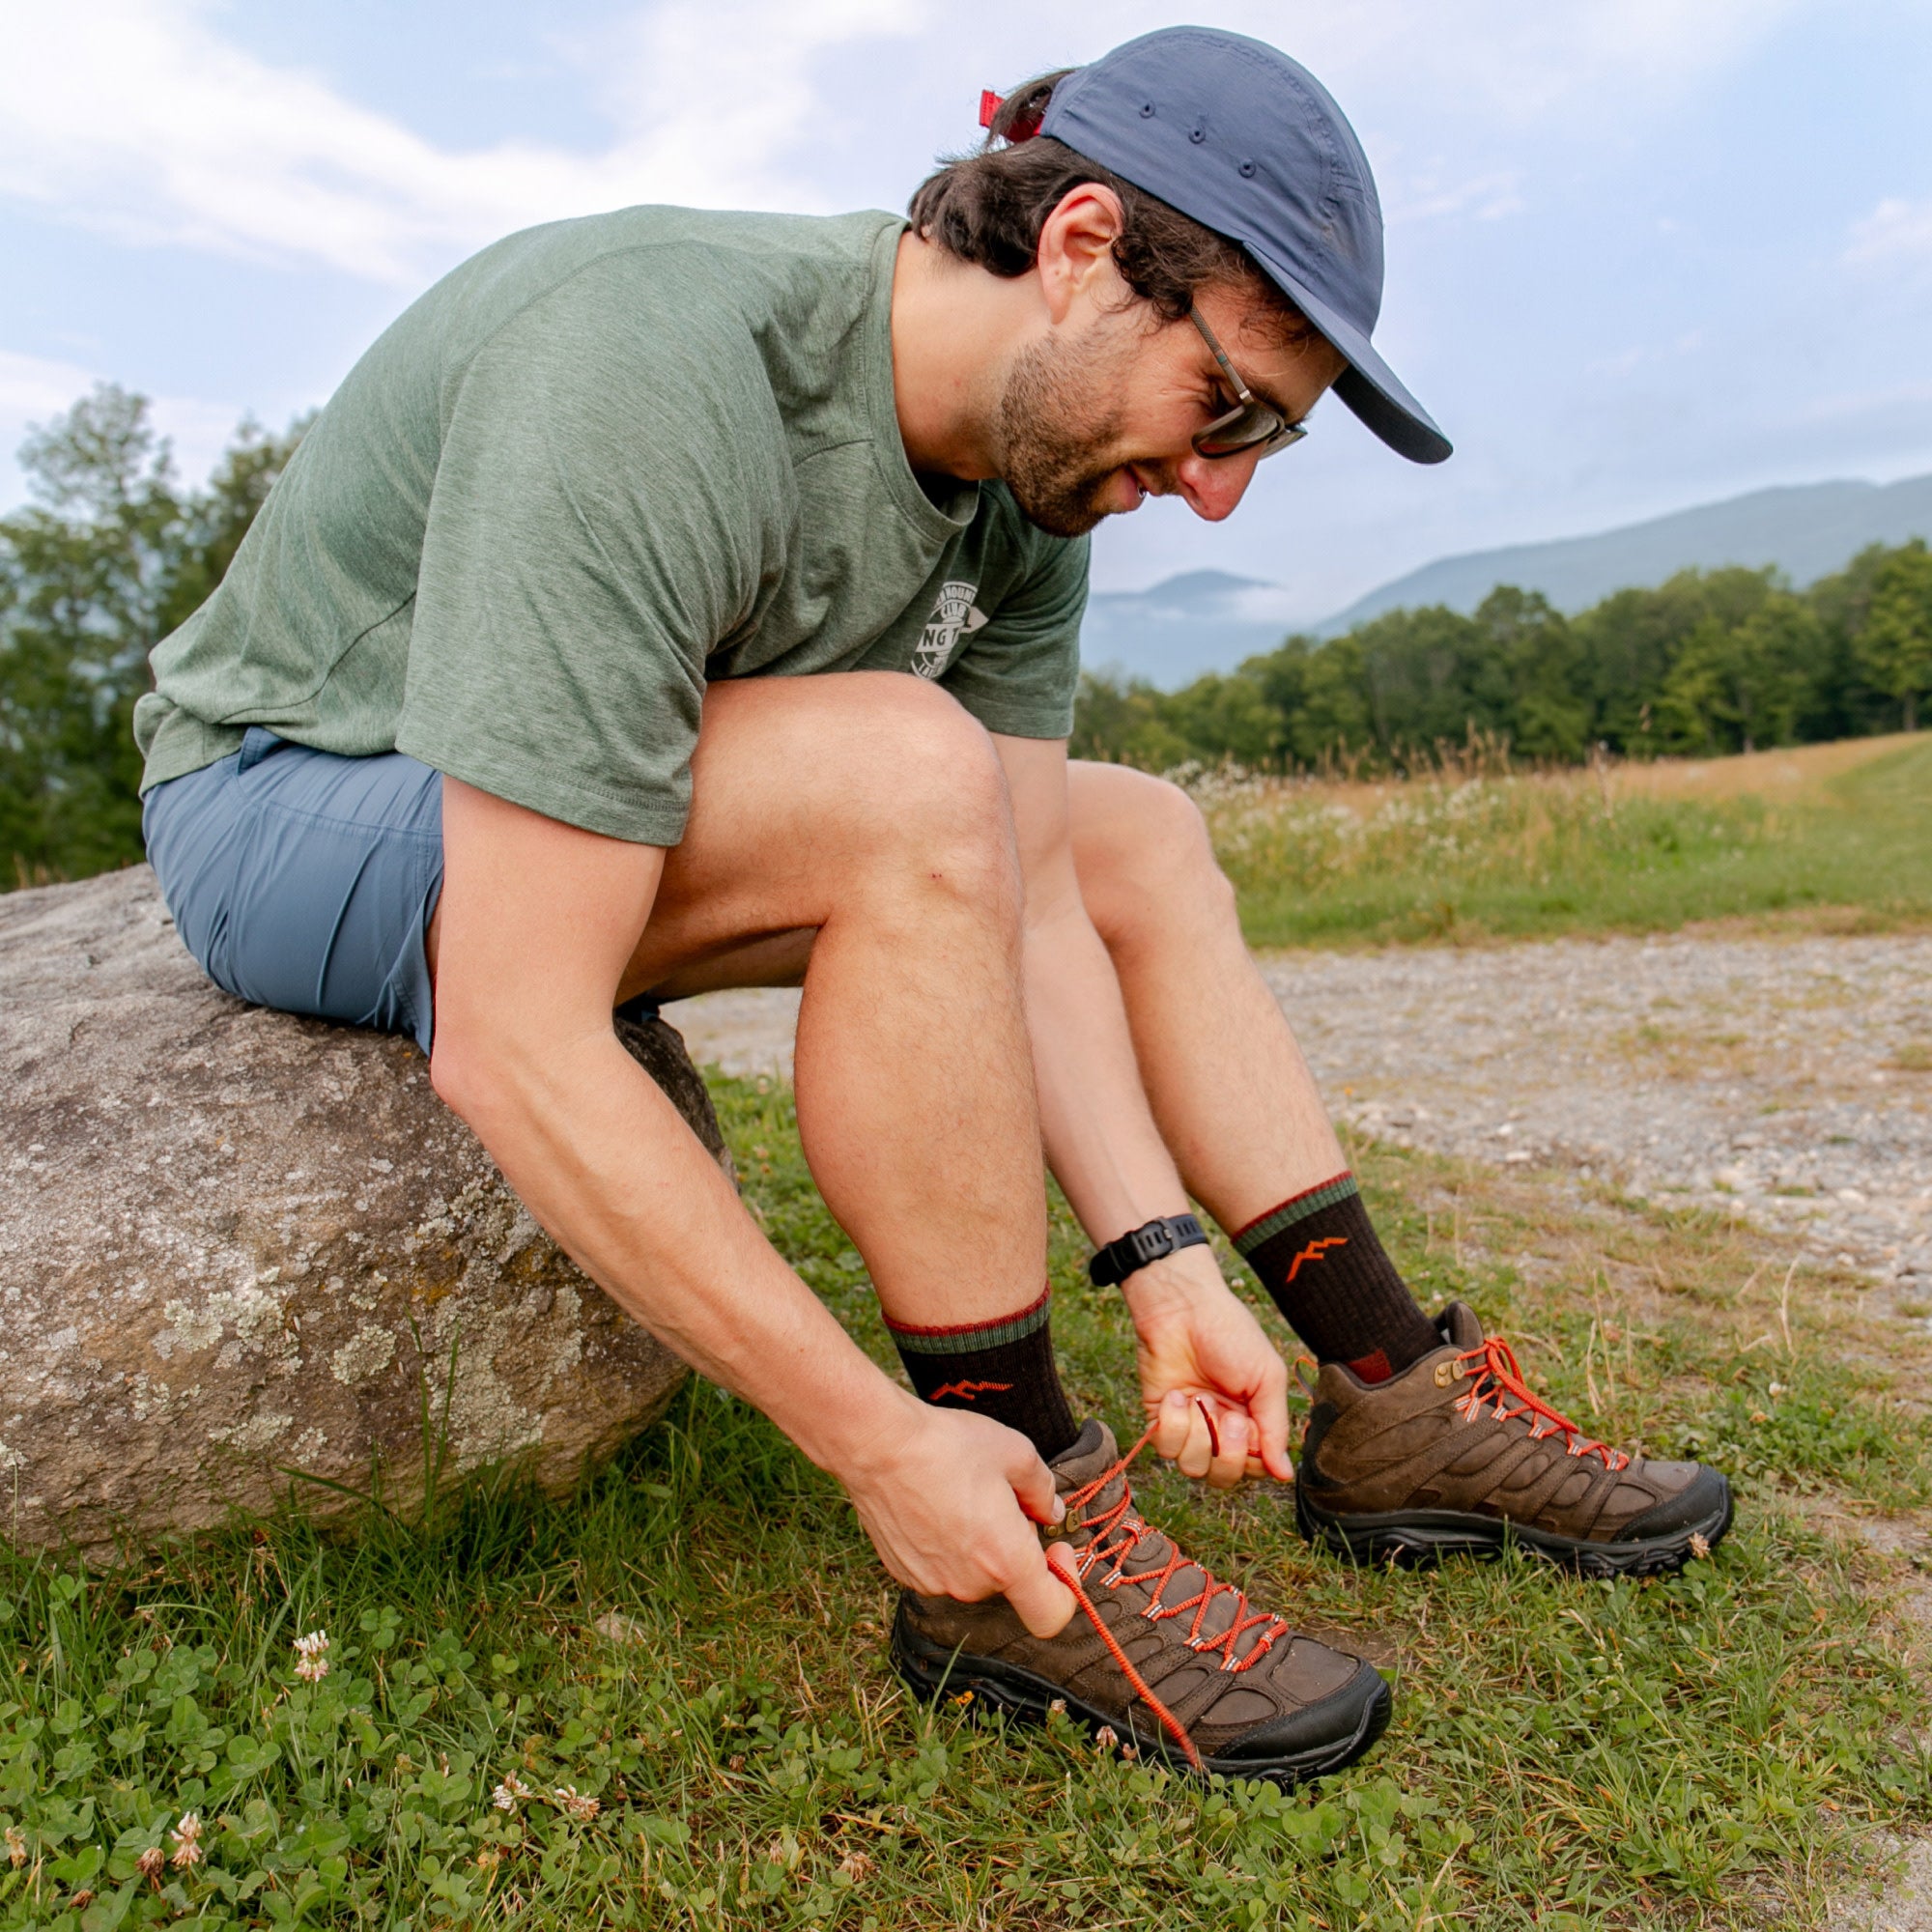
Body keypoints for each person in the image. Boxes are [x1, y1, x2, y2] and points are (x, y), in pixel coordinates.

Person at [134, 27, 1732, 1784]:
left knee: (1130, 835)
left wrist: (1161, 1257)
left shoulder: (1031, 490)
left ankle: (1391, 1394)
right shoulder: (649, 365)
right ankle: (1006, 1529)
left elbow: (1035, 899)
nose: (1218, 488)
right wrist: (872, 1441)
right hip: (295, 790)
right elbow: (516, 1034)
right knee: (909, 770)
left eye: (1273, 441)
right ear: (1079, 247)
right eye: (1231, 408)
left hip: (577, 791)